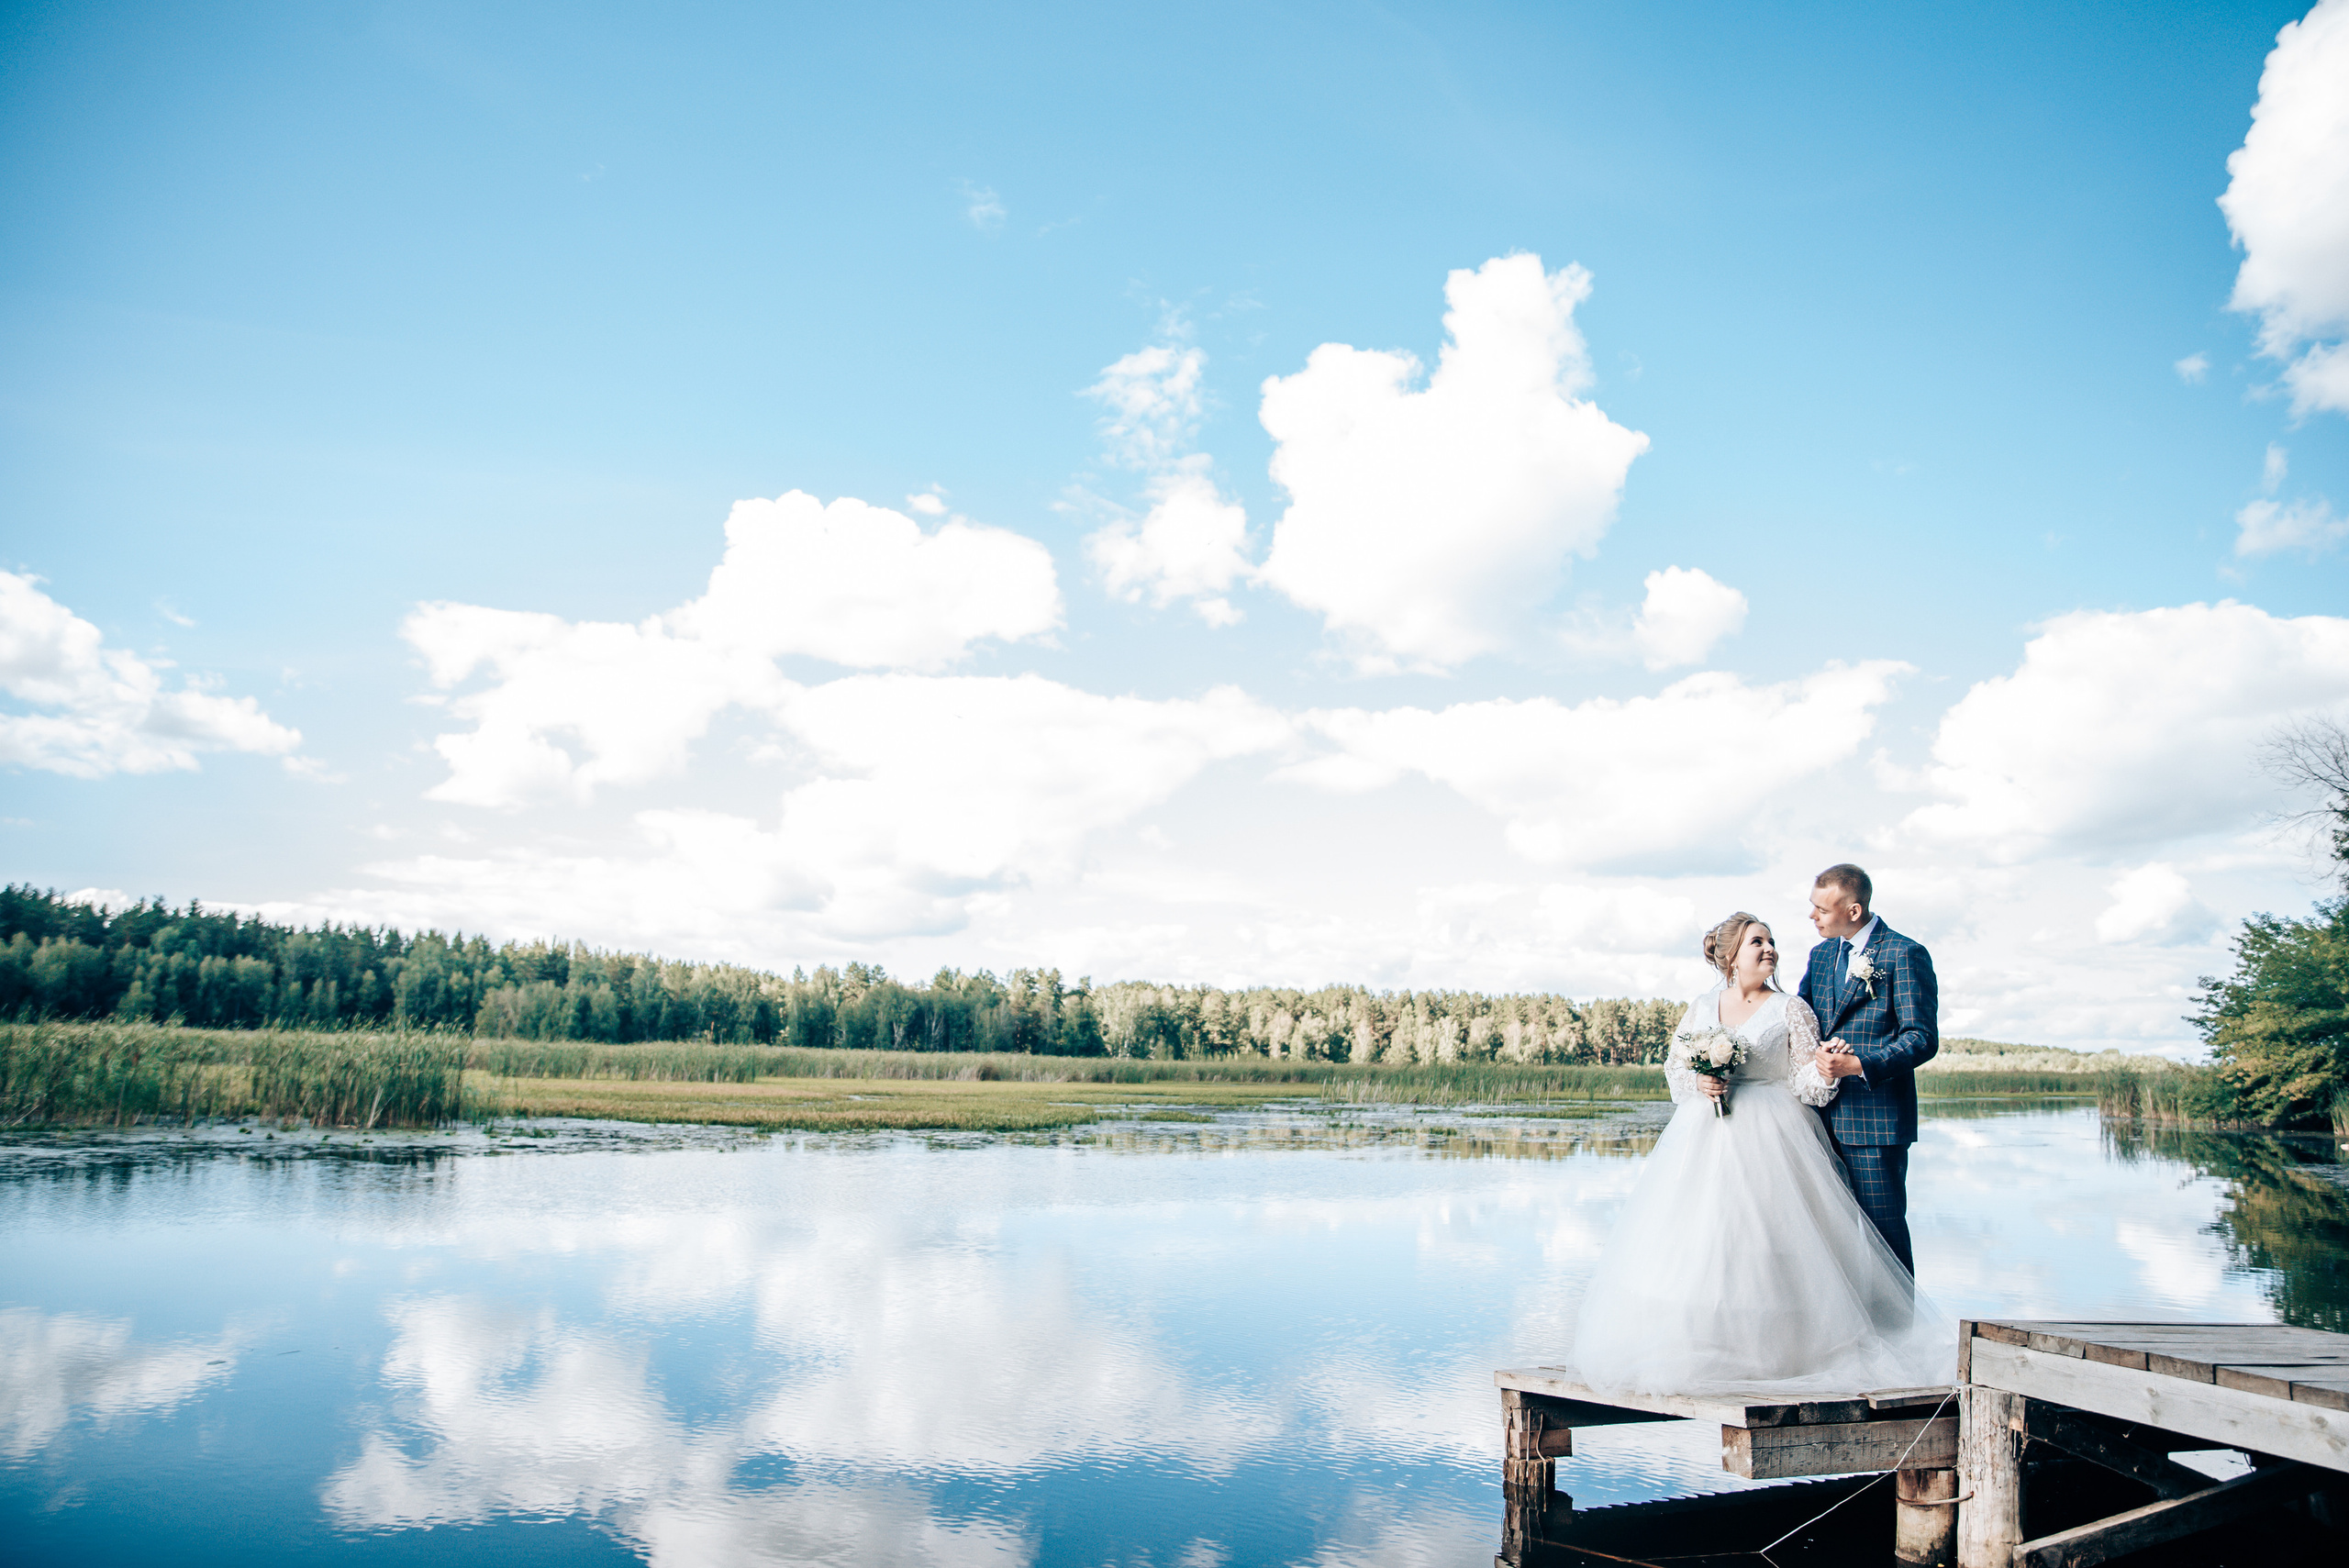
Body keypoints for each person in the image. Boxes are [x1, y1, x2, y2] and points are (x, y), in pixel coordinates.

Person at [1570, 912, 1948, 1396]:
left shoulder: (1792, 1009)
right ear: (1732, 956)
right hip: (1705, 1134)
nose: (1769, 949)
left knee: (1775, 1239)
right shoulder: (1702, 1006)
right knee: (1707, 1237)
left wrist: (1827, 1069)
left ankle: (1790, 1351)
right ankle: (1708, 1344)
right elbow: (1675, 1069)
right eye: (1757, 942)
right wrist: (1701, 1081)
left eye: (1771, 941)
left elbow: (1805, 1084)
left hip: (1776, 1134)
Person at [1797, 863, 1938, 1274]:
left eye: (1822, 909)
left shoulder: (1904, 953)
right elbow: (1801, 1022)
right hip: (1817, 1120)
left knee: (1885, 1240)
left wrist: (1859, 1064)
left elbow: (1921, 1037)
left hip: (1875, 1123)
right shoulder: (1821, 955)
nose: (1812, 916)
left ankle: (1898, 1320)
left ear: (1853, 911)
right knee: (1828, 1239)